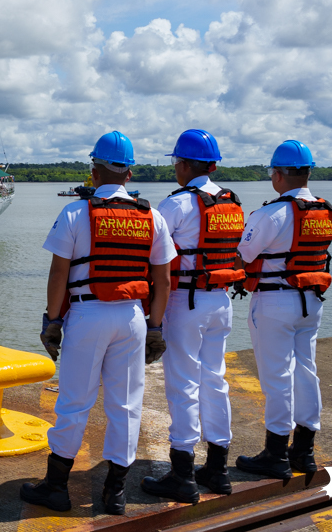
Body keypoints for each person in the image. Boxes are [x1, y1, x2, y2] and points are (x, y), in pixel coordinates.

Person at [21, 131, 174, 515]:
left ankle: (56, 487)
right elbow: (164, 280)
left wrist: (52, 321)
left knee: (74, 402)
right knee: (125, 405)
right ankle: (115, 493)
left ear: (94, 171)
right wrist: (155, 327)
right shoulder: (150, 216)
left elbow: (59, 274)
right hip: (133, 318)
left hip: (88, 315)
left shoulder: (75, 213)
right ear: (129, 174)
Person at [141, 130, 245, 504]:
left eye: (176, 162)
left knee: (182, 383)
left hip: (185, 302)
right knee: (214, 380)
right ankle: (217, 468)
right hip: (220, 300)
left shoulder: (177, 205)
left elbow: (149, 250)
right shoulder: (231, 203)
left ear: (184, 164)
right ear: (213, 165)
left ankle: (183, 473)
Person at [235, 140, 332, 480]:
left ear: (278, 175)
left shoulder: (270, 214)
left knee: (276, 377)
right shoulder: (324, 211)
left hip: (275, 301)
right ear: (307, 173)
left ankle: (276, 453)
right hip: (311, 301)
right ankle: (304, 451)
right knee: (306, 370)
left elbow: (242, 256)